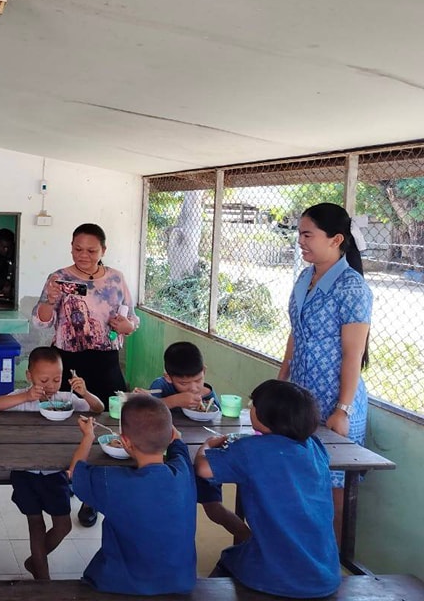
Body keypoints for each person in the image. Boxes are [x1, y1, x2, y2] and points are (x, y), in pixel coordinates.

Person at [32, 222, 138, 526]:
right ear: (71, 247)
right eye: (78, 249)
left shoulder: (116, 278)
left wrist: (127, 327)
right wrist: (49, 300)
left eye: (91, 250)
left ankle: (93, 498)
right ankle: (66, 482)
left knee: (108, 425)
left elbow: (131, 320)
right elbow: (41, 321)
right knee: (67, 424)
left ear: (103, 250)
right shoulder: (59, 278)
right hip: (68, 362)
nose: (83, 255)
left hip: (106, 362)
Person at [278, 202, 372, 540]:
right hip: (301, 400)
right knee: (300, 480)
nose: (300, 241)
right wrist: (281, 380)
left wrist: (342, 409)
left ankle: (331, 559)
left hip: (335, 404)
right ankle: (303, 552)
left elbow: (352, 354)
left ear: (336, 239)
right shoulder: (306, 277)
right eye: (299, 234)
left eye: (308, 235)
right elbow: (296, 332)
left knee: (333, 490)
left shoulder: (352, 288)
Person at [194, 380, 340, 598]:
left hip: (275, 575)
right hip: (325, 573)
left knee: (229, 558)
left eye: (253, 404)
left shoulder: (251, 449)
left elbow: (203, 469)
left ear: (264, 415)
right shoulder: (315, 446)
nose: (250, 408)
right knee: (246, 551)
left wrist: (208, 444)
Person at [0, 347, 103, 579]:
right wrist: (26, 396)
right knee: (35, 523)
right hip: (25, 472)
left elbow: (98, 409)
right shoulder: (22, 397)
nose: (51, 385)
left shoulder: (66, 399)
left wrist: (85, 392)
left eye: (57, 379)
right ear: (29, 376)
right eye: (44, 380)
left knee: (64, 525)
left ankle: (35, 561)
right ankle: (42, 578)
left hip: (55, 472)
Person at [68, 394, 196, 595]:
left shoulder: (111, 481)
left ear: (125, 442)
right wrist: (176, 438)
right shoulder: (183, 471)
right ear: (170, 435)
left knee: (95, 576)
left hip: (120, 584)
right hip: (180, 581)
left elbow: (75, 472)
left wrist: (88, 437)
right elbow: (179, 445)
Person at [140, 341, 250, 542]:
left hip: (202, 455)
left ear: (204, 371)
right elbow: (146, 411)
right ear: (168, 377)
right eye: (184, 384)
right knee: (167, 505)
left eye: (198, 380)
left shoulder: (208, 395)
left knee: (214, 509)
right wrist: (173, 401)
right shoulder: (160, 387)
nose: (193, 387)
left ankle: (250, 540)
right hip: (170, 457)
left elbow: (217, 422)